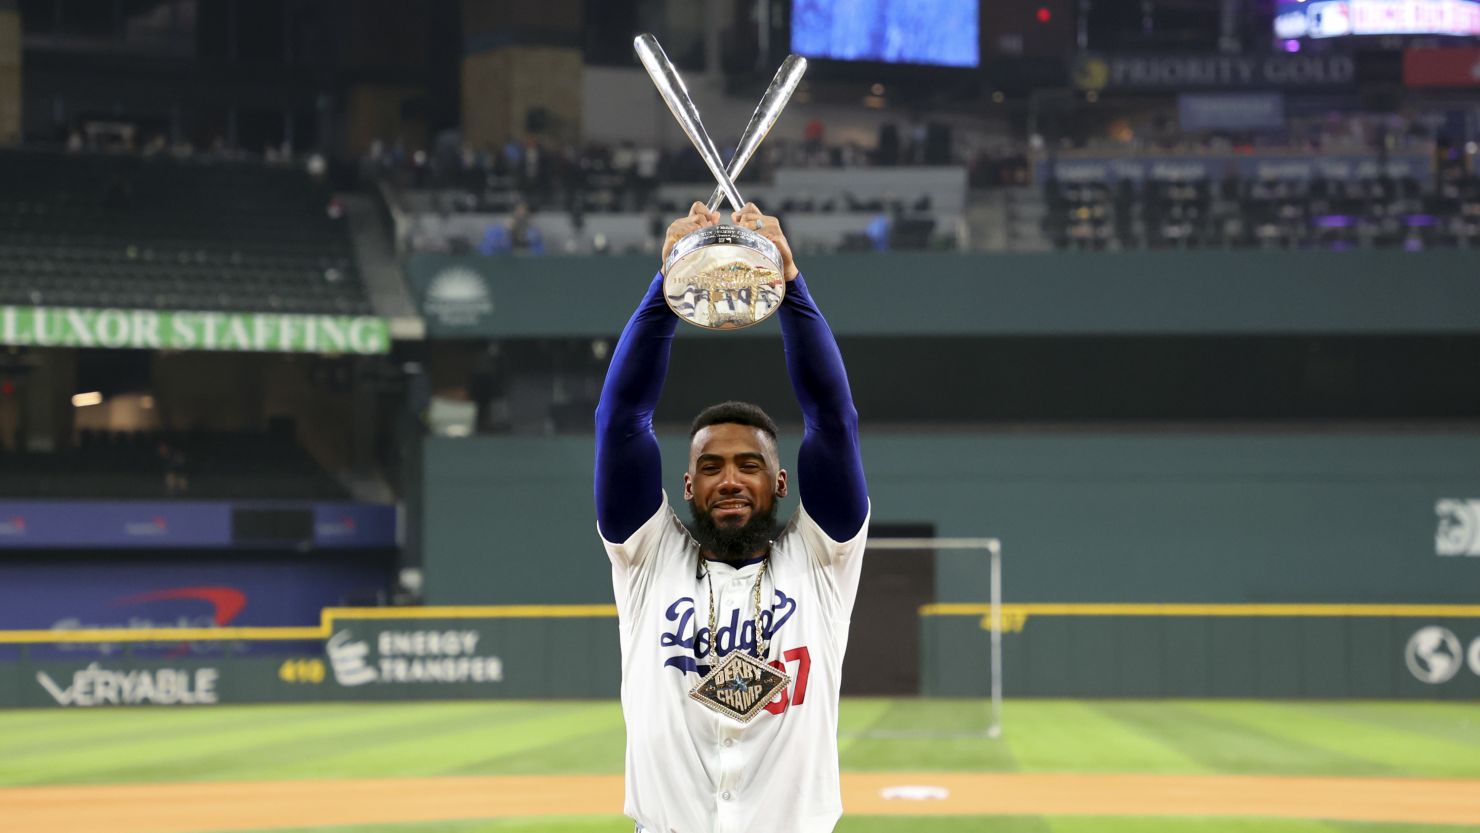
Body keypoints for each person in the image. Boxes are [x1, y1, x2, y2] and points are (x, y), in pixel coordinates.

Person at [594, 201, 870, 833]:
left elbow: (832, 420)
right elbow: (621, 420)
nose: (730, 480)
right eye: (712, 467)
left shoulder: (822, 562)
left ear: (779, 482)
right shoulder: (646, 559)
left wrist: (792, 283)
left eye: (749, 465)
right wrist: (667, 286)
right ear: (687, 485)